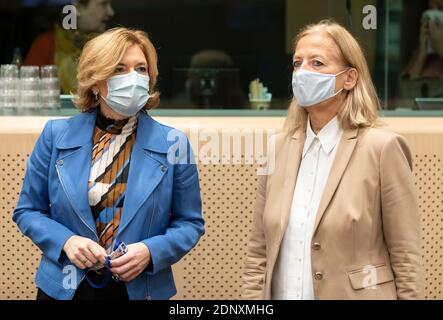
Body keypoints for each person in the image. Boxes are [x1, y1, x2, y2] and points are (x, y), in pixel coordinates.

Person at [13, 27, 204, 300]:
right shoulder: (56, 135)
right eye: (119, 69)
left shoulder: (174, 143)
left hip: (140, 288)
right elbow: (28, 211)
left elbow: (190, 223)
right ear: (95, 80)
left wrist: (151, 252)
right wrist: (67, 241)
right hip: (65, 288)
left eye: (141, 69)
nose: (134, 78)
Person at [242, 20, 422, 300]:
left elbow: (406, 255)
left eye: (317, 63)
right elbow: (258, 251)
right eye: (297, 63)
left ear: (349, 78)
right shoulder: (278, 147)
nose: (303, 72)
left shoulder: (382, 148)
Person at [24, 0, 115, 93]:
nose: (111, 12)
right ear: (78, 7)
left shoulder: (110, 46)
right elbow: (29, 91)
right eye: (103, 4)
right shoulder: (47, 44)